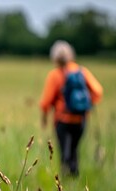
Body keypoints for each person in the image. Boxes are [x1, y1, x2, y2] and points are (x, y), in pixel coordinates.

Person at [40, 40, 103, 176]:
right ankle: (75, 174)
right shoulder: (81, 71)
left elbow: (45, 102)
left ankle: (65, 180)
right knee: (74, 148)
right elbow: (98, 91)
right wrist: (86, 104)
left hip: (62, 119)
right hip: (80, 119)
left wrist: (44, 118)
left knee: (65, 151)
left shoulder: (55, 75)